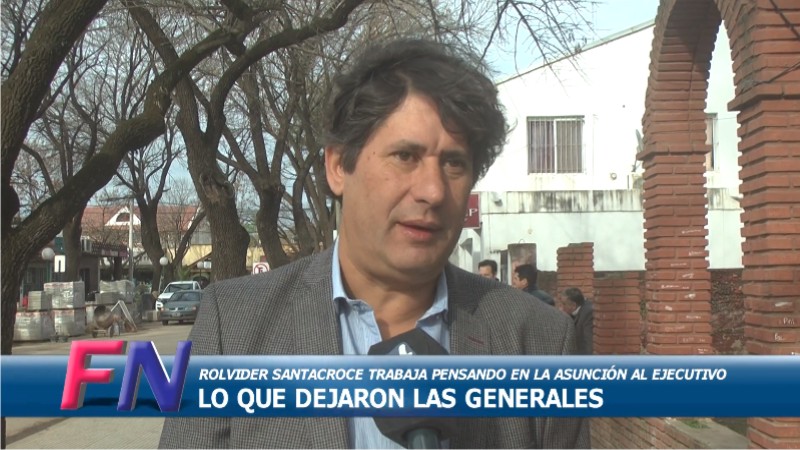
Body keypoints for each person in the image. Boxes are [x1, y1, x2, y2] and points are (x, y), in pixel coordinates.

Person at [159, 38, 588, 449]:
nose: (433, 191)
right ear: (337, 167)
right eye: (405, 156)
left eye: (454, 163)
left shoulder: (540, 341)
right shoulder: (233, 327)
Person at [558, 287, 594, 355]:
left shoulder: (588, 313)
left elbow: (589, 344)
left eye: (564, 304)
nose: (561, 307)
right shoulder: (573, 311)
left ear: (573, 305)